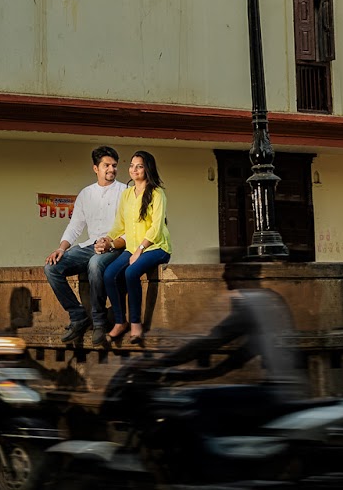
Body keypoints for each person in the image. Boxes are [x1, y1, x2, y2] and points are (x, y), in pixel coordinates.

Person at [141, 258, 303, 435]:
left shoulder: (252, 303)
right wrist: (202, 375)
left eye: (229, 270)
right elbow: (243, 354)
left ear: (241, 275)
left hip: (275, 392)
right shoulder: (270, 298)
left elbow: (212, 340)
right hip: (286, 388)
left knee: (199, 402)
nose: (224, 276)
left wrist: (159, 363)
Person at [44, 145, 128, 347]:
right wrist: (61, 248)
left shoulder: (126, 192)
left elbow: (132, 227)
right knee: (52, 267)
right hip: (90, 245)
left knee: (94, 264)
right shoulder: (86, 194)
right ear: (95, 168)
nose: (111, 169)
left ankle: (99, 322)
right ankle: (78, 316)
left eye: (114, 165)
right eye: (106, 165)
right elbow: (75, 226)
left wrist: (110, 242)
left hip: (116, 246)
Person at [103, 150, 171, 345]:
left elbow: (156, 228)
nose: (134, 169)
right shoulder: (126, 194)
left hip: (156, 247)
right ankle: (120, 321)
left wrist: (140, 249)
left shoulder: (157, 193)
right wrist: (108, 239)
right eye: (132, 165)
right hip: (132, 248)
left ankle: (136, 325)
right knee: (109, 274)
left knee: (131, 273)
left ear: (147, 168)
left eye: (139, 166)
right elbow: (119, 224)